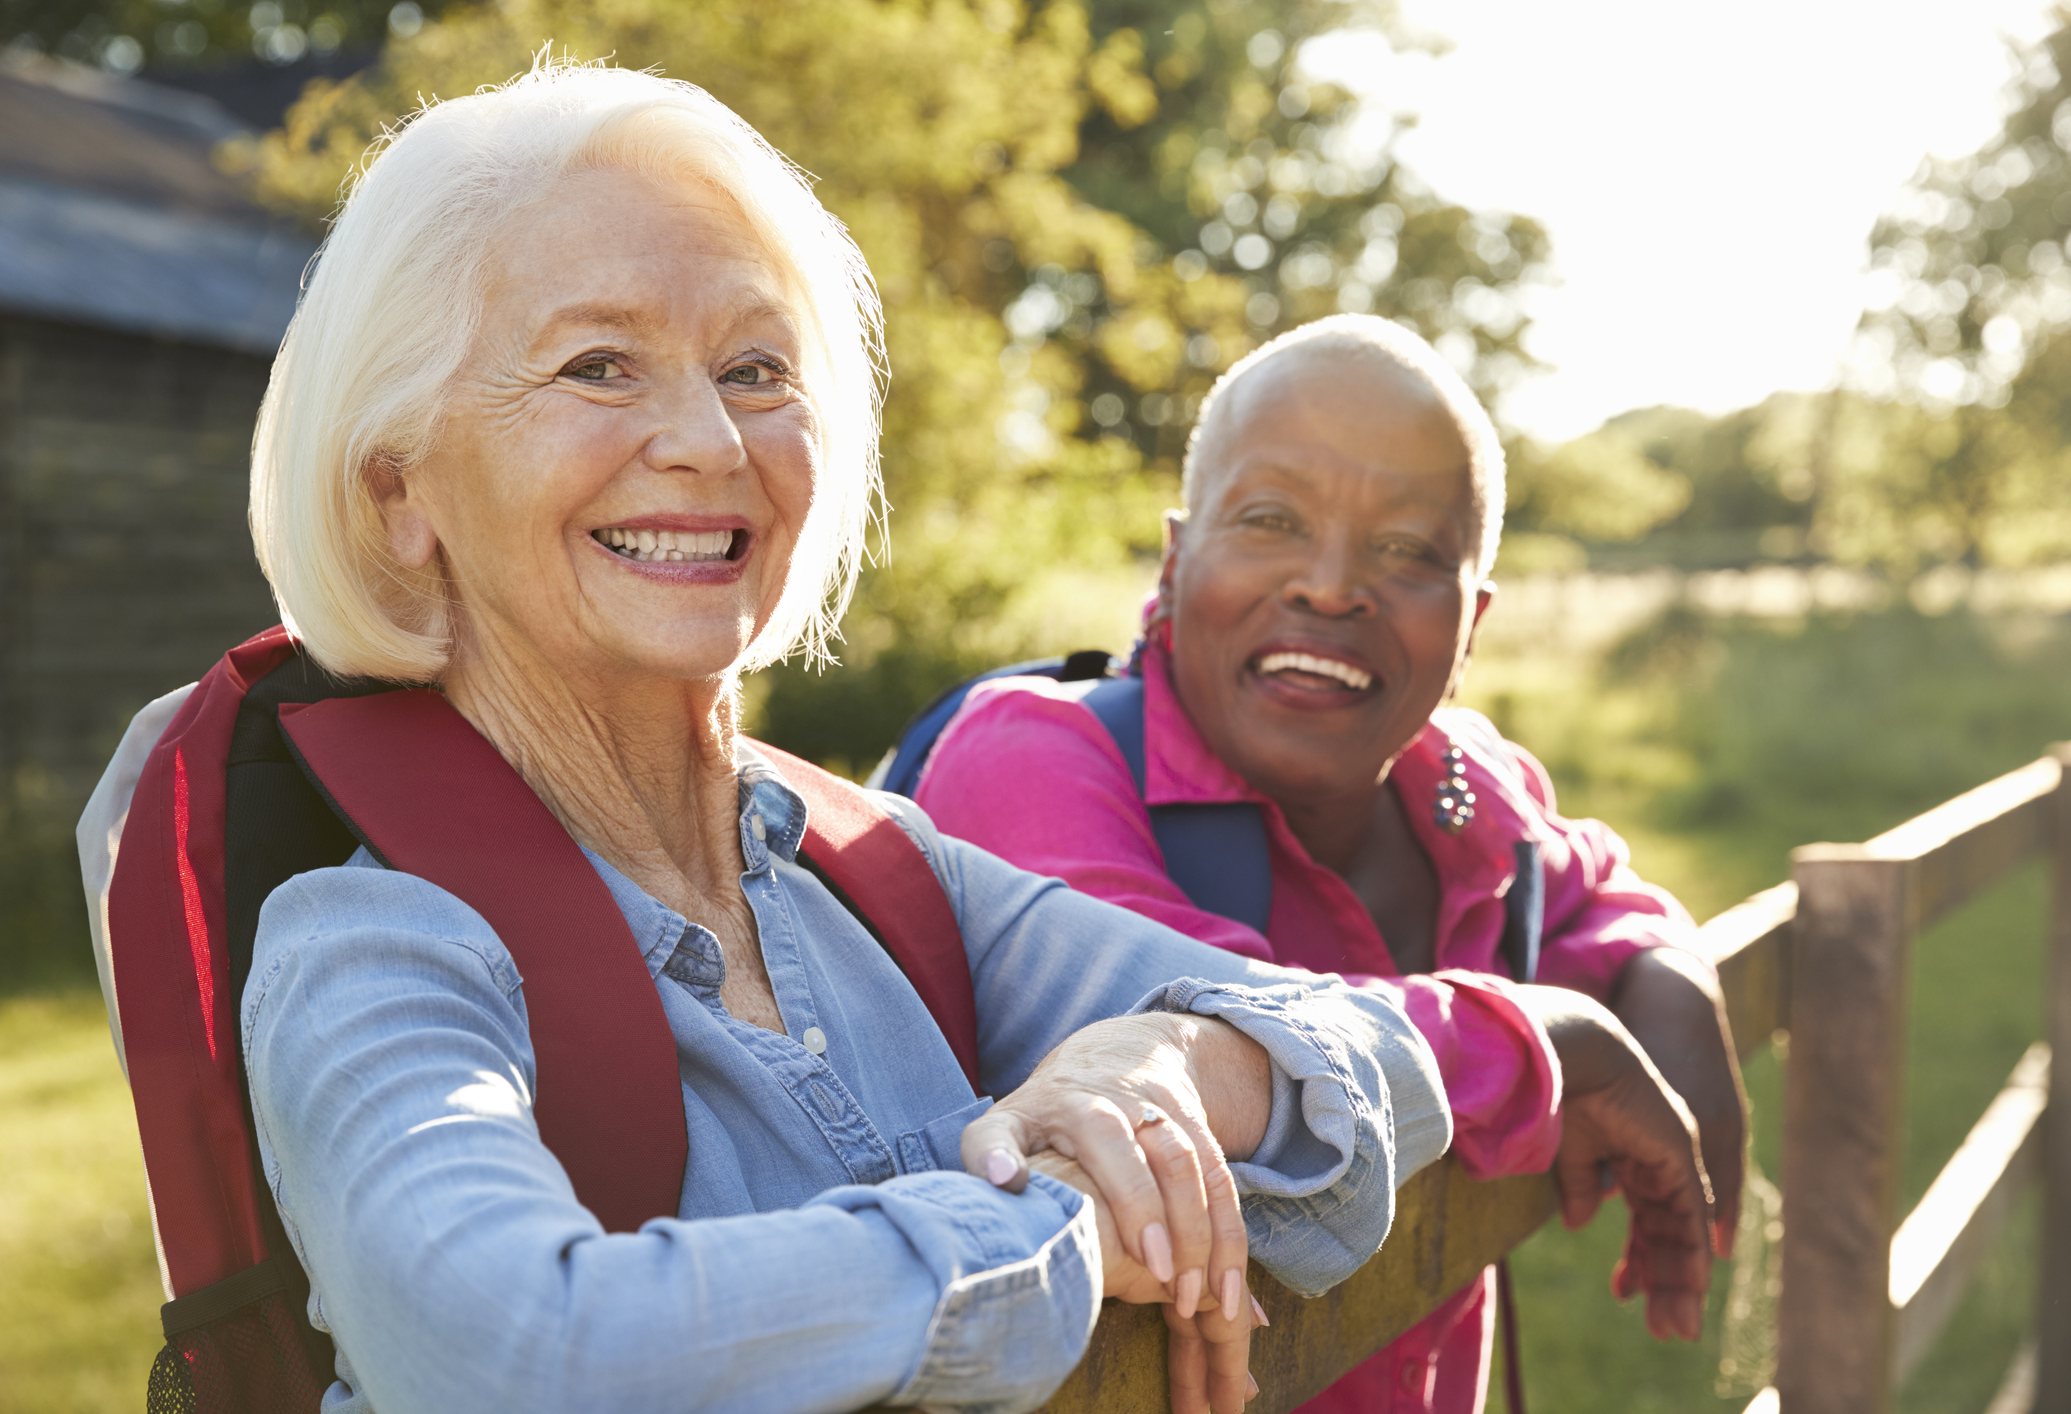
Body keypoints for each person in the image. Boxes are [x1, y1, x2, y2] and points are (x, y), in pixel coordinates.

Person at [74, 69, 1455, 1414]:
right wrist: (1067, 1229)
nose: (707, 438)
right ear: (397, 493)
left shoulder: (882, 871)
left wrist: (1150, 1070)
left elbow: (1379, 1055)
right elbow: (521, 1351)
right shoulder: (370, 948)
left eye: (754, 368)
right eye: (598, 365)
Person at [914, 315, 1747, 1414]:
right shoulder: (1032, 760)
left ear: (1473, 622)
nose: (1333, 584)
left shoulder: (1464, 794)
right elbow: (1228, 1052)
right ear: (1177, 555)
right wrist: (1559, 1038)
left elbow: (1593, 892)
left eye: (1408, 548)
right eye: (1270, 519)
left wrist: (1671, 980)